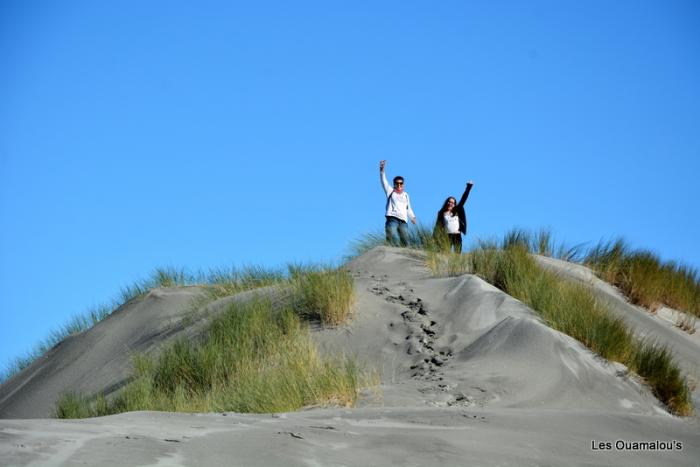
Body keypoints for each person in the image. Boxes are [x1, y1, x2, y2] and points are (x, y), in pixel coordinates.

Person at [380, 160, 417, 246]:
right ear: (394, 184)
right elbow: (383, 181)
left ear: (403, 184)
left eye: (401, 183)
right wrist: (382, 171)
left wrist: (412, 217)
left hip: (403, 221)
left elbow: (408, 208)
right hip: (392, 218)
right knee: (392, 237)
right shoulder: (390, 191)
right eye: (397, 183)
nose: (399, 185)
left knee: (406, 241)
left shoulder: (406, 195)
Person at [433, 181, 474, 253]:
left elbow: (463, 200)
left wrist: (468, 188)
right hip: (447, 236)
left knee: (457, 254)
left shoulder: (456, 211)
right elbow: (437, 226)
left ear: (455, 204)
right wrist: (433, 237)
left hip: (457, 235)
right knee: (445, 254)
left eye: (452, 202)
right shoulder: (441, 213)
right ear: (446, 202)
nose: (450, 203)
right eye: (449, 201)